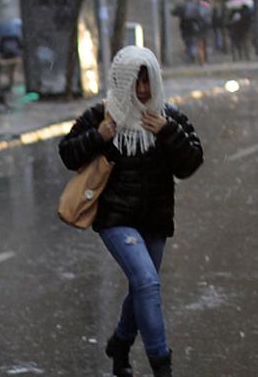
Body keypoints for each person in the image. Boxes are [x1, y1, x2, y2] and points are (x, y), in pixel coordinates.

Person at [59, 46, 203, 377]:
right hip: (116, 219)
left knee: (142, 286)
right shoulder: (103, 115)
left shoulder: (168, 117)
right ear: (120, 81)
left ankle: (120, 344)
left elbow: (191, 164)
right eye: (134, 82)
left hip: (155, 219)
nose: (141, 90)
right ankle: (162, 365)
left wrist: (167, 132)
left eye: (147, 81)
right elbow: (67, 154)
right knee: (148, 283)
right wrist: (98, 136)